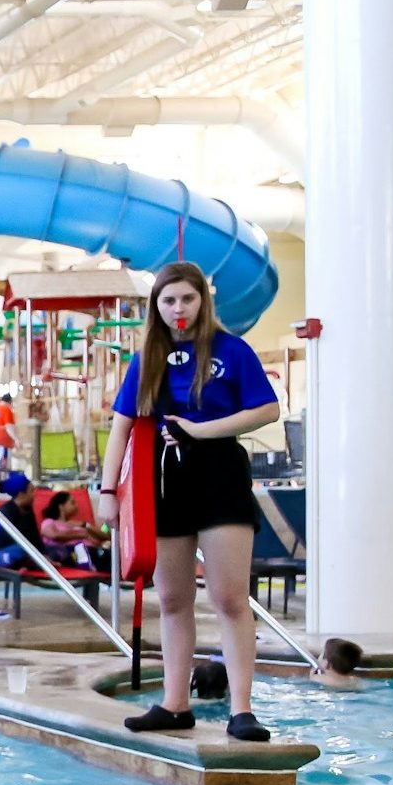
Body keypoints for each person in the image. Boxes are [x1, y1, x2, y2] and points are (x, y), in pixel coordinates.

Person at [96, 260, 281, 743]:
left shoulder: (231, 351)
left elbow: (266, 409)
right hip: (163, 479)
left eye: (187, 299)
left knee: (229, 597)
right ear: (157, 307)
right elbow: (121, 429)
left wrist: (202, 430)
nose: (179, 309)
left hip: (220, 473)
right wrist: (107, 491)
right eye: (169, 300)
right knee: (174, 598)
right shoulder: (147, 359)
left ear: (203, 301)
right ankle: (176, 703)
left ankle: (241, 709)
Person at [38, 491, 109, 571]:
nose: (76, 506)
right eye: (72, 502)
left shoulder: (78, 524)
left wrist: (85, 525)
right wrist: (81, 535)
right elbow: (54, 535)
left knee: (111, 556)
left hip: (94, 551)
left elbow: (106, 537)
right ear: (61, 506)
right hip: (73, 554)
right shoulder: (49, 522)